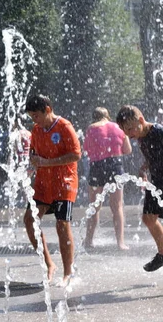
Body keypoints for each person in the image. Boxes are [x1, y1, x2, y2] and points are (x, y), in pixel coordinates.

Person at [23, 95, 81, 285]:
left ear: (47, 110)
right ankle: (50, 264)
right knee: (30, 221)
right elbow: (34, 153)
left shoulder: (64, 126)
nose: (34, 120)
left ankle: (67, 273)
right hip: (43, 184)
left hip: (64, 183)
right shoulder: (36, 129)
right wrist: (31, 168)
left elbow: (75, 154)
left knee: (62, 225)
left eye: (36, 116)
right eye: (32, 117)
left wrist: (48, 163)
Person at [116, 105, 163, 272]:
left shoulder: (158, 132)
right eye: (125, 131)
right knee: (148, 218)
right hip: (156, 182)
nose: (128, 134)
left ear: (141, 120)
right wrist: (144, 168)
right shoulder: (141, 136)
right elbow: (154, 156)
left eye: (130, 129)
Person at [83, 107, 132, 250]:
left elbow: (86, 149)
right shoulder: (119, 127)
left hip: (96, 167)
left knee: (94, 207)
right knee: (117, 207)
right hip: (115, 166)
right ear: (107, 115)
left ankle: (88, 241)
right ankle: (120, 243)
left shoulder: (91, 128)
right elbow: (127, 150)